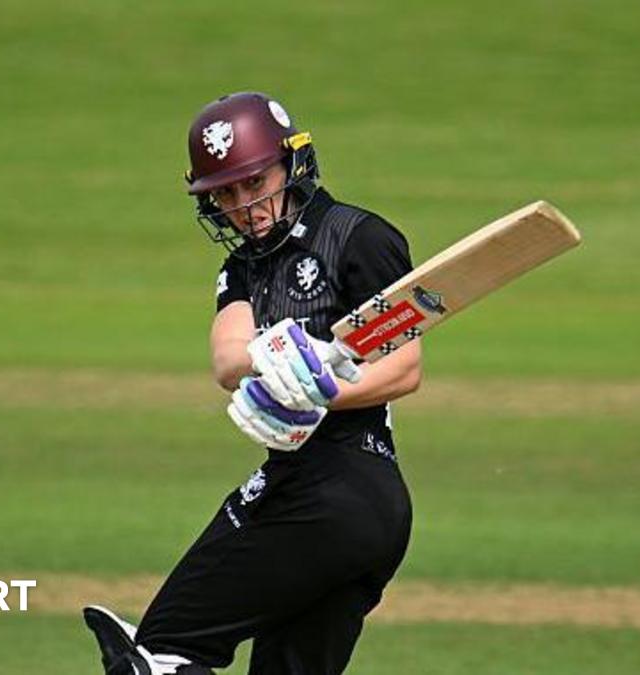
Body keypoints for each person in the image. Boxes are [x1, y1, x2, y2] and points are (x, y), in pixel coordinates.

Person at [83, 92, 422, 675]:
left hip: (338, 487)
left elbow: (404, 367)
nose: (246, 206)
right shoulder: (242, 267)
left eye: (255, 181)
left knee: (158, 654)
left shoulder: (360, 237)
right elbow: (227, 357)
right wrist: (279, 357)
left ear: (292, 165)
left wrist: (325, 387)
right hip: (347, 508)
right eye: (227, 192)